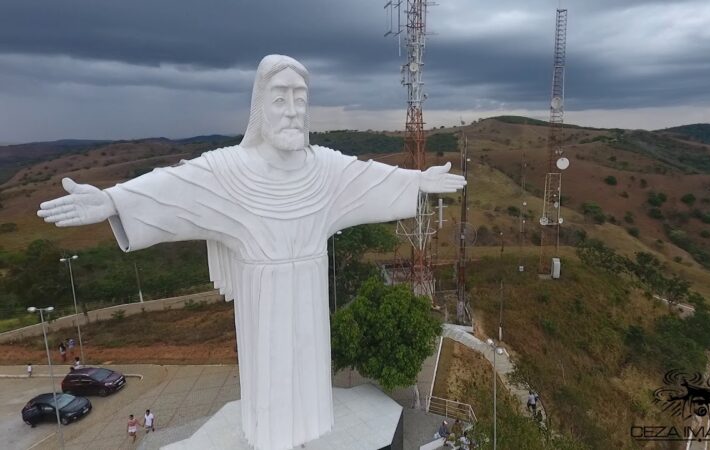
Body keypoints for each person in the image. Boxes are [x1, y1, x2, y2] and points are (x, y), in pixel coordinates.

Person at [37, 54, 465, 450]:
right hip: (264, 301)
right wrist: (114, 200)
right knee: (271, 390)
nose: (293, 110)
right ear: (261, 107)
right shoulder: (229, 170)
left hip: (310, 295)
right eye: (281, 99)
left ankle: (312, 430)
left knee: (311, 386)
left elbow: (369, 178)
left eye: (301, 99)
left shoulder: (324, 168)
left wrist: (418, 182)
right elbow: (175, 188)